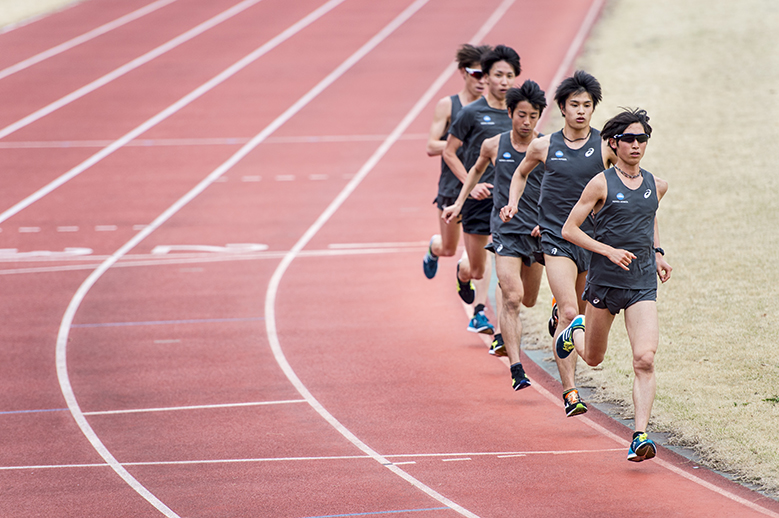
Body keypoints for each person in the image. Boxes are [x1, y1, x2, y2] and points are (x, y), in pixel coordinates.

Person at [556, 108, 671, 462]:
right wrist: (607, 250)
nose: (636, 145)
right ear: (613, 143)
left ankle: (639, 436)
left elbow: (647, 219)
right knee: (592, 358)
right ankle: (570, 333)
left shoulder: (657, 185)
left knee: (645, 358)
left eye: (642, 139)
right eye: (629, 139)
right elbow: (569, 230)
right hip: (604, 284)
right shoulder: (601, 183)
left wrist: (658, 253)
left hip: (640, 284)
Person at [501, 70, 616, 417]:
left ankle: (561, 318)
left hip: (591, 243)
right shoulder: (544, 145)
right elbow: (521, 173)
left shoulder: (604, 147)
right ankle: (570, 392)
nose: (581, 111)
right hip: (556, 238)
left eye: (587, 105)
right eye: (574, 105)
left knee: (579, 316)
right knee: (570, 313)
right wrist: (514, 202)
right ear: (562, 108)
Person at [443, 80, 547, 391]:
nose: (527, 122)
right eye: (521, 115)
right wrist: (459, 202)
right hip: (505, 231)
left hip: (537, 233)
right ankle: (516, 368)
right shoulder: (494, 144)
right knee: (512, 297)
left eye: (533, 116)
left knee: (528, 299)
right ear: (510, 113)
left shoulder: (545, 147)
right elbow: (475, 170)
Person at [441, 44, 521, 335]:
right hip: (477, 198)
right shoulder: (471, 113)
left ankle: (495, 325)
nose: (503, 81)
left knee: (503, 261)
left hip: (506, 200)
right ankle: (463, 270)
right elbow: (449, 152)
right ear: (486, 77)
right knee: (476, 270)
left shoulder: (519, 113)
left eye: (509, 75)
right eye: (498, 75)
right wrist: (469, 186)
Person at [423, 44, 491, 279]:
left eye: (486, 75)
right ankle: (434, 247)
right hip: (452, 185)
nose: (482, 81)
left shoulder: (491, 109)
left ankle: (477, 305)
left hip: (482, 186)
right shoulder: (448, 105)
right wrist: (462, 142)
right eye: (476, 74)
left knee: (482, 249)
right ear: (463, 72)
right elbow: (432, 146)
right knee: (449, 249)